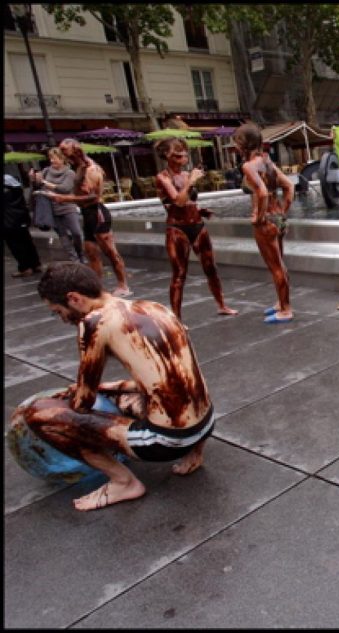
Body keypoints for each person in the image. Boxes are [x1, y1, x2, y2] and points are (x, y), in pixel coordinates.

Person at [13, 261, 215, 511]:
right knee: (137, 391)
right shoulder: (152, 306)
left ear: (74, 298)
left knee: (39, 415)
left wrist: (68, 398)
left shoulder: (94, 323)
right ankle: (196, 452)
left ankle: (123, 482)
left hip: (165, 442)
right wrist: (109, 388)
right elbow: (170, 380)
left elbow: (83, 404)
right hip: (205, 424)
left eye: (57, 311)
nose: (61, 318)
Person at [154, 137, 237, 319]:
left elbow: (188, 202)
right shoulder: (163, 178)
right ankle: (176, 317)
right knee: (179, 274)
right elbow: (178, 201)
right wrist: (191, 181)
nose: (183, 158)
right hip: (178, 229)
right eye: (178, 155)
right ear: (167, 156)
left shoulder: (184, 175)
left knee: (211, 268)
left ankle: (221, 305)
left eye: (184, 154)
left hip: (197, 225)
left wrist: (199, 210)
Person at [47, 138, 131, 296]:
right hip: (87, 213)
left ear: (75, 149)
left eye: (64, 150)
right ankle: (97, 288)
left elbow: (93, 197)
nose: (62, 153)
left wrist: (65, 199)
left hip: (97, 212)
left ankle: (123, 285)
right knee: (91, 252)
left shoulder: (91, 169)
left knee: (110, 252)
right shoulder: (79, 167)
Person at [232, 123, 295, 324]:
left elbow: (261, 192)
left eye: (235, 142)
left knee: (276, 267)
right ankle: (281, 302)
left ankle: (285, 310)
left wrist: (259, 216)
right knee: (280, 265)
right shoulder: (267, 161)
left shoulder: (249, 166)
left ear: (242, 144)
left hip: (266, 222)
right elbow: (289, 186)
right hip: (278, 219)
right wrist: (283, 211)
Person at [29, 147, 86, 263]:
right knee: (62, 235)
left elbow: (65, 188)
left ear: (62, 158)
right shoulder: (46, 171)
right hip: (51, 208)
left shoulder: (69, 173)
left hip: (67, 207)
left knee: (76, 233)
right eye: (50, 158)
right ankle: (74, 259)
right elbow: (38, 187)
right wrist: (33, 179)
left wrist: (45, 183)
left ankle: (81, 254)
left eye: (54, 158)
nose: (51, 161)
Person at [3, 174, 43, 277]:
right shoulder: (17, 188)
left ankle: (25, 267)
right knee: (27, 242)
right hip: (21, 218)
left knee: (16, 245)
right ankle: (36, 264)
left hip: (8, 222)